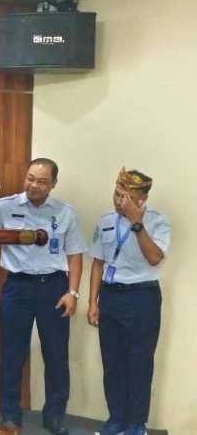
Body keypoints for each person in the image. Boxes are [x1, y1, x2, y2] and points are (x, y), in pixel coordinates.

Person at [0, 158, 87, 435]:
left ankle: (54, 417)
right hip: (17, 286)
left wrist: (72, 293)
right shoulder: (4, 207)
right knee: (12, 354)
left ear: (53, 184)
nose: (34, 185)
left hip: (54, 288)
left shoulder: (65, 213)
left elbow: (75, 255)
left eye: (42, 181)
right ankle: (11, 417)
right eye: (30, 178)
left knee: (56, 355)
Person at [87, 168, 170, 435]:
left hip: (142, 298)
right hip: (110, 296)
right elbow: (98, 264)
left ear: (142, 199)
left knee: (139, 362)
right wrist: (92, 302)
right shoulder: (105, 221)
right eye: (117, 194)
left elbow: (154, 258)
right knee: (112, 362)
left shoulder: (157, 222)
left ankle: (136, 424)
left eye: (127, 197)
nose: (119, 201)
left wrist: (137, 224)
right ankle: (116, 420)